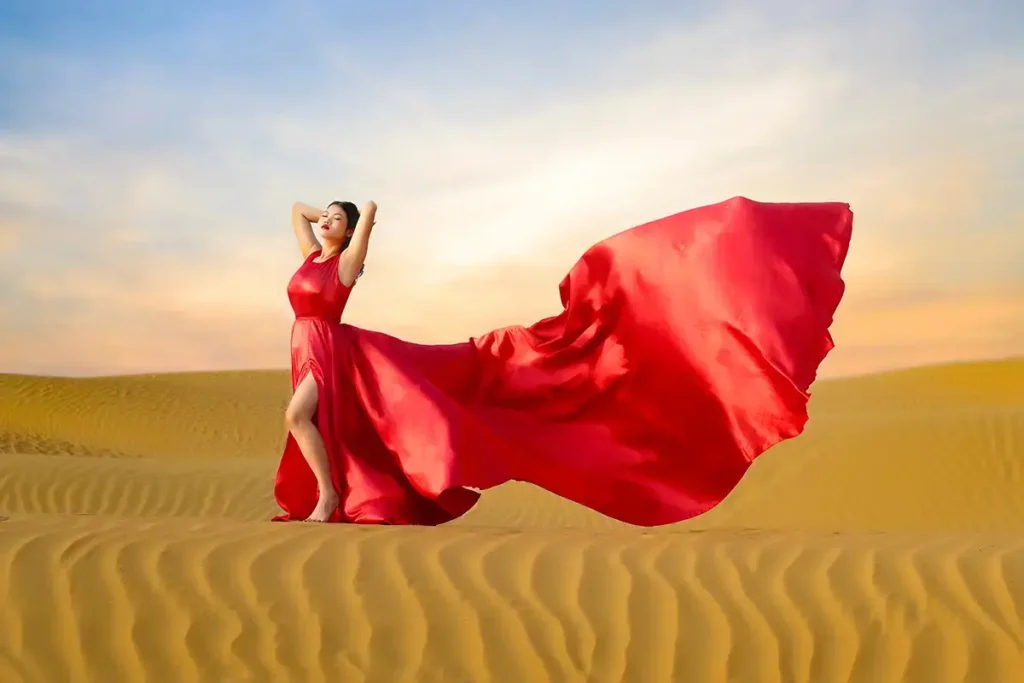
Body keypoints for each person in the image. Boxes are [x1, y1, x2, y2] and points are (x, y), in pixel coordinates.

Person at [274, 196, 853, 525]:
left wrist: (355, 222)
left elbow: (368, 214)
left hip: (327, 347)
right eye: (324, 219)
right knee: (315, 420)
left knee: (300, 418)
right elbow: (295, 214)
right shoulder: (310, 261)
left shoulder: (344, 266)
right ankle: (334, 493)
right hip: (304, 345)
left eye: (334, 219)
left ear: (348, 235)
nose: (322, 222)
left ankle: (328, 496)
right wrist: (320, 215)